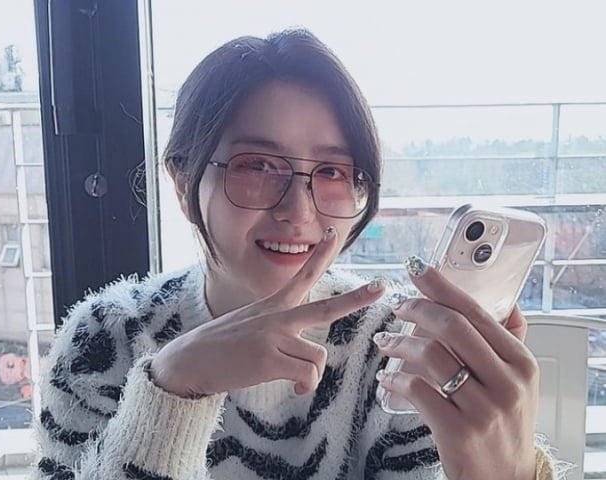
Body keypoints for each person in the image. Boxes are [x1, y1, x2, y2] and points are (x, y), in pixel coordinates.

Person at [30, 29, 567, 479]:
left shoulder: (398, 348)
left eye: (332, 171)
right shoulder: (107, 337)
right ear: (183, 180)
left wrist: (508, 473)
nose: (298, 210)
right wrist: (171, 389)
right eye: (257, 165)